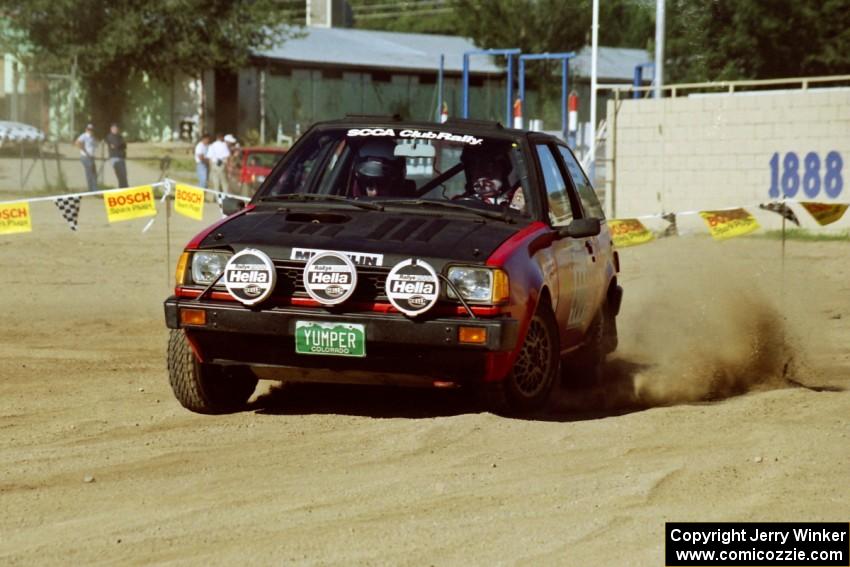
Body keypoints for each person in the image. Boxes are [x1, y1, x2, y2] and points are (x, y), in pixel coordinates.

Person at [75, 124, 98, 192]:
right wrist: (85, 151)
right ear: (86, 129)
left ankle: (93, 189)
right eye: (89, 129)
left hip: (91, 157)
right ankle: (93, 189)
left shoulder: (92, 137)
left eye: (91, 129)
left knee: (93, 173)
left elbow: (95, 145)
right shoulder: (84, 136)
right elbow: (77, 143)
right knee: (90, 172)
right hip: (85, 157)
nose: (90, 131)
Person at [105, 123, 128, 188]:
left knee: (124, 175)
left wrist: (120, 145)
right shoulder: (110, 136)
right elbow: (116, 145)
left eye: (116, 128)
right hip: (115, 158)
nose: (115, 130)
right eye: (114, 128)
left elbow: (125, 145)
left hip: (121, 157)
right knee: (121, 175)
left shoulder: (120, 136)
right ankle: (123, 190)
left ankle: (124, 189)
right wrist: (120, 144)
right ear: (111, 129)